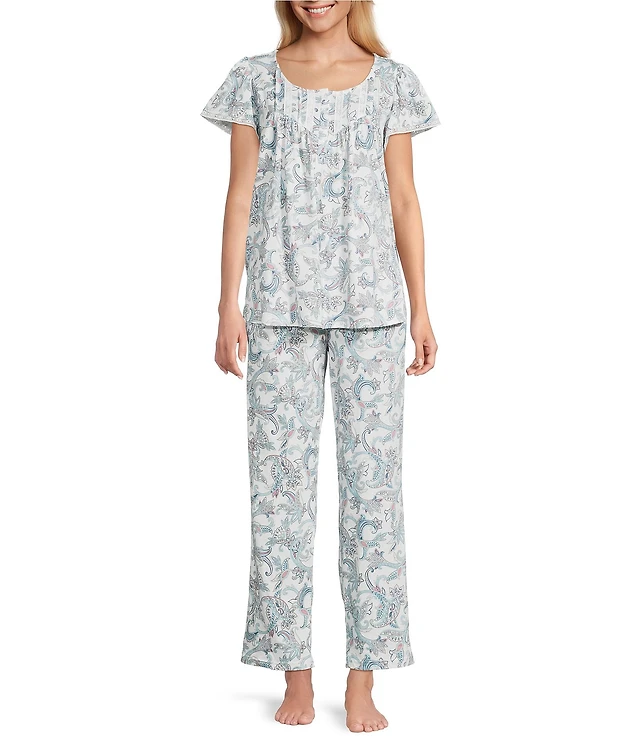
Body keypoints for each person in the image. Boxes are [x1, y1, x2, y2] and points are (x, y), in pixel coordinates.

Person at [200, 0, 440, 733]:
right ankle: (294, 675)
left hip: (374, 310)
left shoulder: (393, 83)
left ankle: (364, 679)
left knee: (374, 500)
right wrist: (227, 304)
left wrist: (422, 309)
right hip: (278, 307)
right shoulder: (254, 80)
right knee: (279, 499)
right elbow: (239, 196)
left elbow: (405, 200)